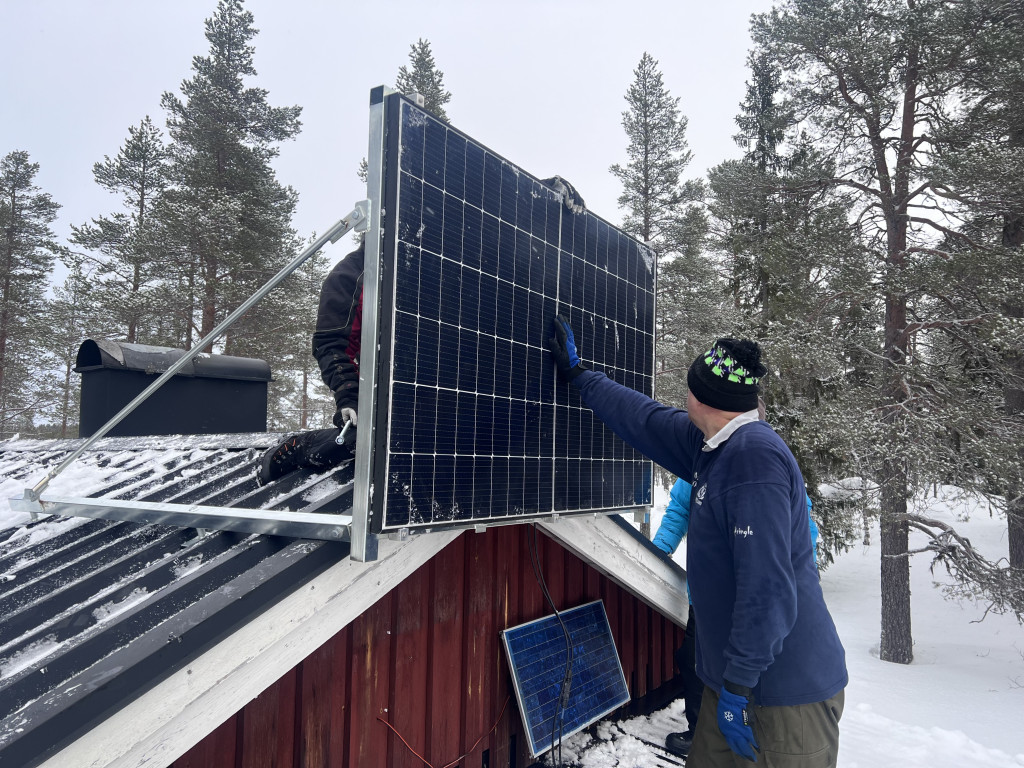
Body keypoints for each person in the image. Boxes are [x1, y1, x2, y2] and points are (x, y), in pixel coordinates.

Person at [549, 317, 847, 767]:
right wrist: (580, 376)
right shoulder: (711, 445)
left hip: (781, 694)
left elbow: (767, 589)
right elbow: (645, 419)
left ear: (701, 396)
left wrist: (739, 686)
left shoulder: (753, 462)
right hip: (731, 684)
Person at [256, 176, 586, 485]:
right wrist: (349, 395)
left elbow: (484, 222)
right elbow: (332, 343)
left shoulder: (436, 266)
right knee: (367, 444)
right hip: (383, 397)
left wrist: (539, 196)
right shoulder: (353, 275)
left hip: (440, 392)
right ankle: (299, 447)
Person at [653, 477, 702, 760]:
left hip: (743, 597)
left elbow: (799, 521)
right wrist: (658, 552)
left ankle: (744, 729)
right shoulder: (695, 465)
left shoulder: (757, 454)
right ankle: (699, 733)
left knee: (739, 666)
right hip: (703, 595)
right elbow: (679, 513)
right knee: (693, 660)